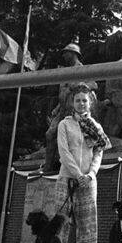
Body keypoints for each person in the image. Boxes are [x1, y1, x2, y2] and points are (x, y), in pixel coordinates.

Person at [55, 83, 110, 243]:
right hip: (67, 178)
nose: (81, 104)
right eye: (77, 100)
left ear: (90, 103)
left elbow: (98, 153)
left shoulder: (96, 127)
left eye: (84, 100)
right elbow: (64, 152)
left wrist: (91, 174)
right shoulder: (65, 124)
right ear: (72, 102)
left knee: (88, 225)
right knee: (60, 224)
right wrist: (77, 174)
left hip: (88, 181)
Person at [42, 40, 98, 173]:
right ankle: (47, 166)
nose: (64, 56)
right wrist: (56, 108)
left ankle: (75, 167)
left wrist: (80, 86)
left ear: (74, 54)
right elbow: (63, 93)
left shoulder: (82, 69)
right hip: (62, 110)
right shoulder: (65, 71)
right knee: (50, 134)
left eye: (66, 53)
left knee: (74, 139)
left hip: (75, 111)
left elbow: (94, 85)